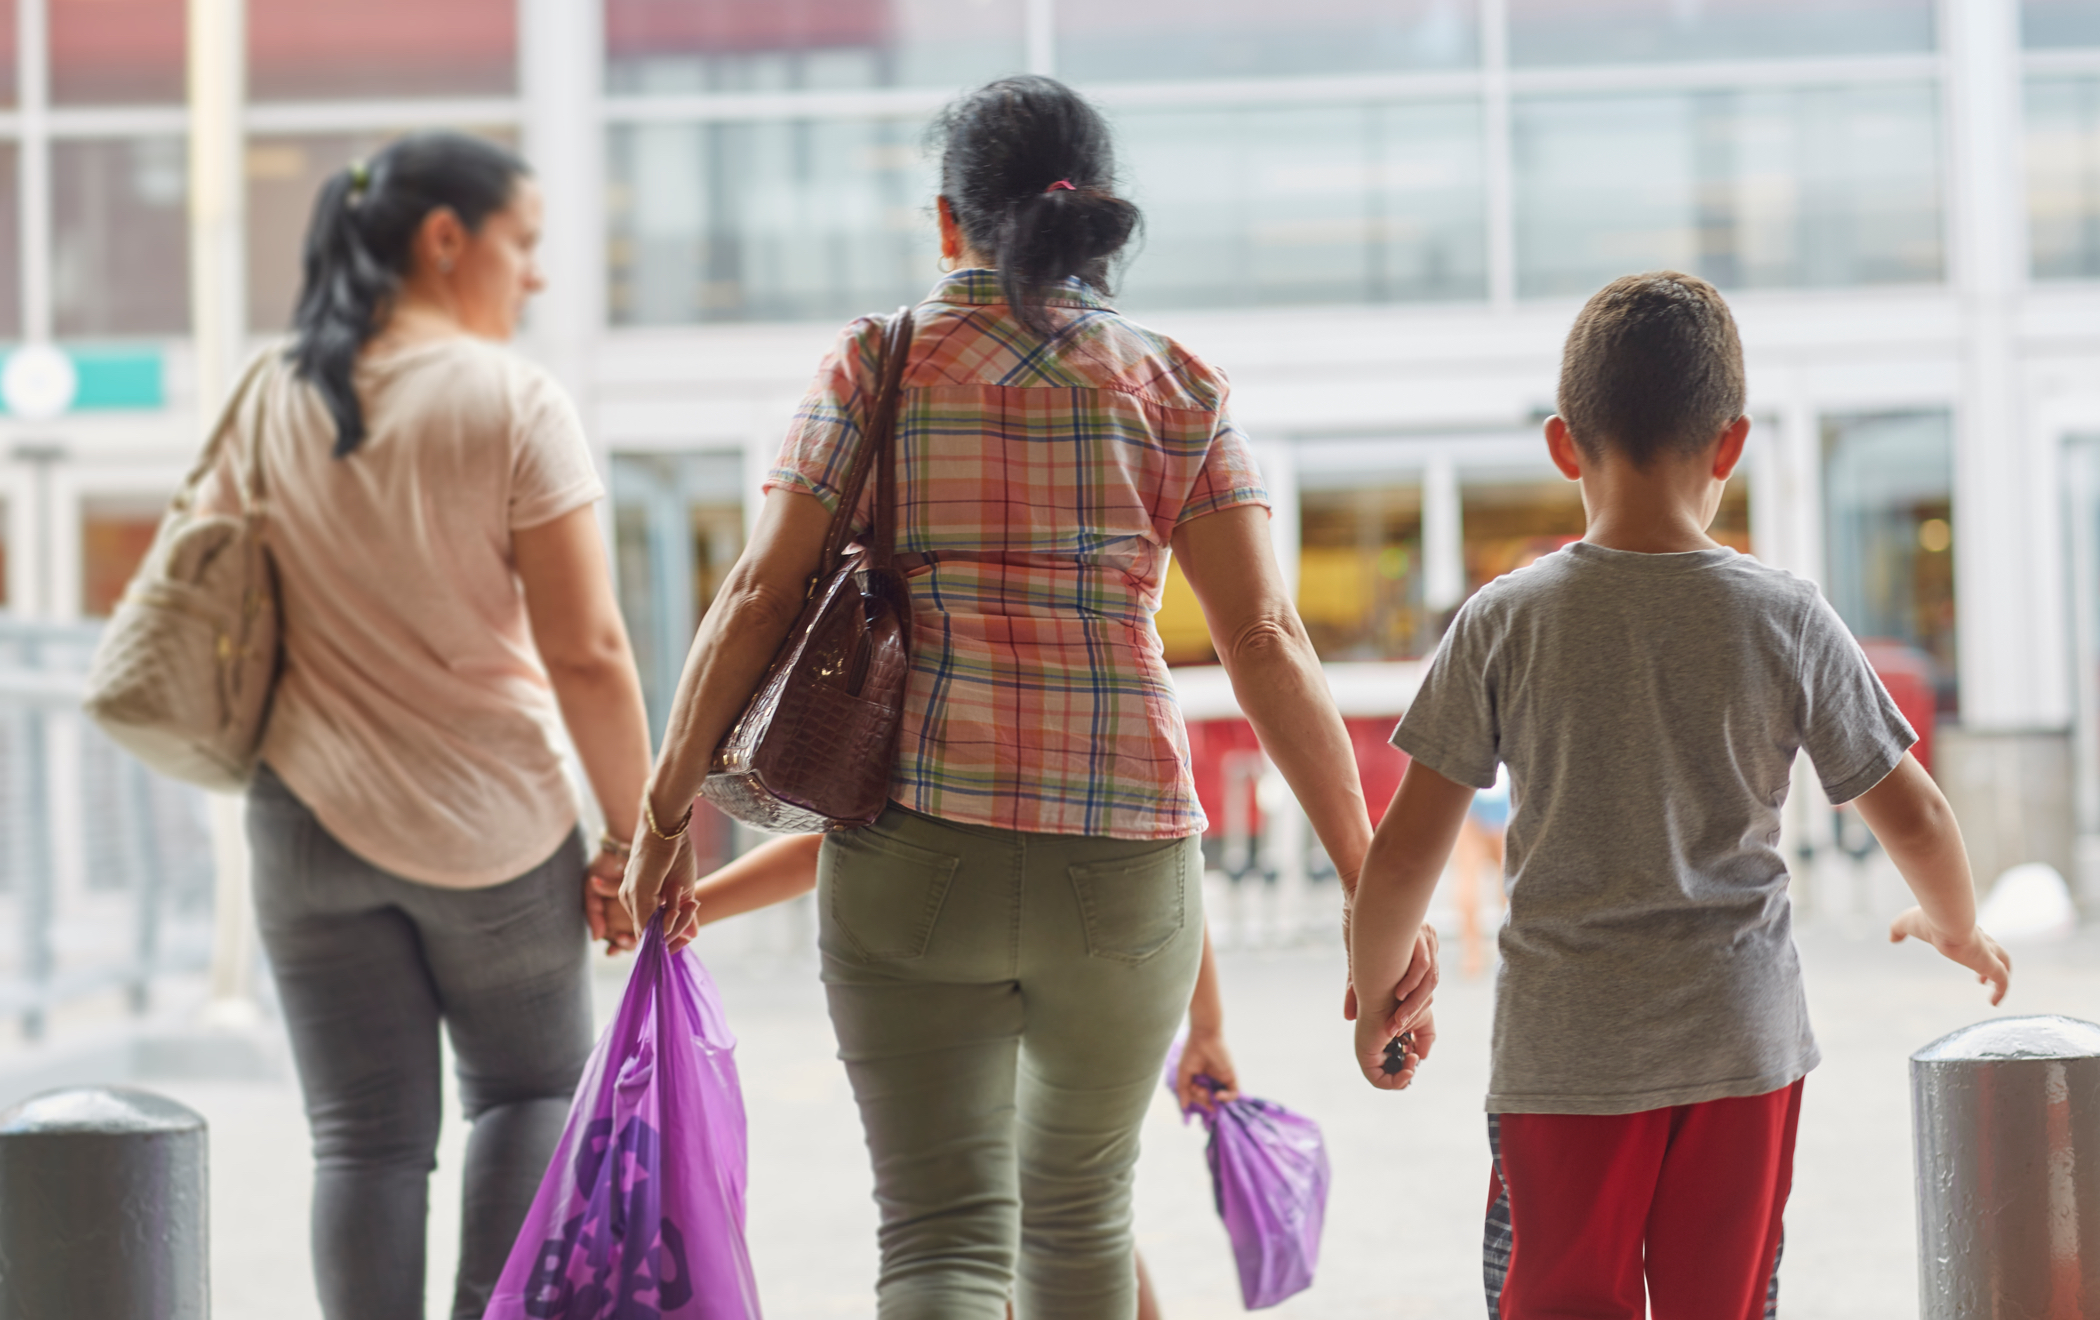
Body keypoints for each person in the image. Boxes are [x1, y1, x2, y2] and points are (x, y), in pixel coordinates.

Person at [621, 74, 1435, 1320]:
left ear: (949, 222)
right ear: (1096, 218)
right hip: (1123, 876)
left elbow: (755, 596)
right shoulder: (1181, 389)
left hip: (912, 860)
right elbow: (1264, 640)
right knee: (1079, 1231)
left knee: (942, 1241)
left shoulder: (874, 362)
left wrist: (663, 822)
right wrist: (1373, 901)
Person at [1345, 271, 2012, 1317]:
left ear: (1566, 445)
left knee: (1560, 1299)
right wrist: (1956, 924)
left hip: (1566, 1052)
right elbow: (1918, 813)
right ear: (1731, 445)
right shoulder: (1786, 617)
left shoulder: (1505, 620)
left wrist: (1380, 997)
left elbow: (1401, 856)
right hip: (1742, 1045)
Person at [206, 132, 650, 1320]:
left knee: (360, 1143)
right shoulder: (511, 400)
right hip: (487, 831)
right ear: (446, 238)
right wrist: (634, 834)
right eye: (526, 244)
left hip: (301, 824)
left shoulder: (269, 390)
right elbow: (589, 654)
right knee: (523, 1096)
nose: (539, 276)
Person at [671, 833, 1239, 1319]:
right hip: (1090, 987)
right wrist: (1207, 1027)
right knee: (1082, 1227)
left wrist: (681, 908)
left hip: (959, 1044)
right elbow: (1170, 872)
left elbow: (820, 849)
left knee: (955, 1244)